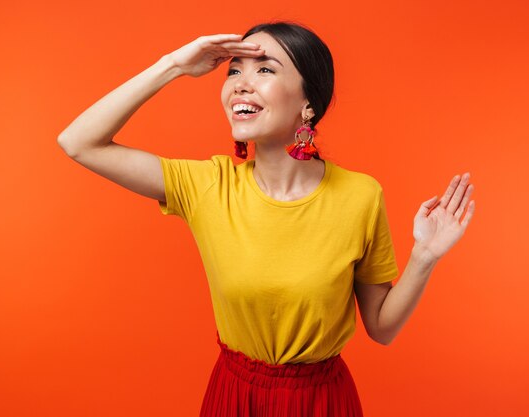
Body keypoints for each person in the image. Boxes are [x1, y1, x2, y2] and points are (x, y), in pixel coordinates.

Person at [57, 21, 475, 417]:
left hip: (321, 401)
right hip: (235, 396)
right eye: (234, 69)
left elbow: (382, 328)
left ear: (308, 101)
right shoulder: (208, 185)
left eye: (265, 69)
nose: (241, 81)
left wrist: (424, 257)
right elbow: (78, 142)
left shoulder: (360, 196)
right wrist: (174, 66)